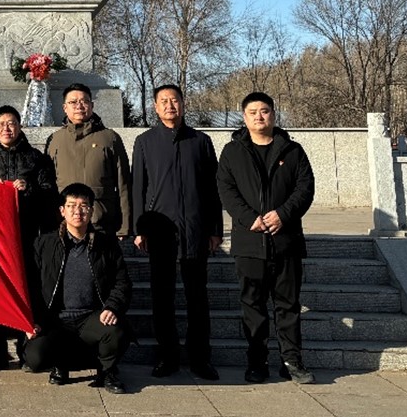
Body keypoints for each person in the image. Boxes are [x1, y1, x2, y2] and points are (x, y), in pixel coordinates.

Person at [216, 91, 316, 385]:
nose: (259, 117)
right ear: (244, 117)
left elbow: (305, 188)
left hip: (286, 241)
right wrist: (250, 218)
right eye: (253, 112)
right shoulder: (232, 152)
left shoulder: (292, 150)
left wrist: (283, 214)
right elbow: (226, 190)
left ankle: (292, 361)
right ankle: (257, 362)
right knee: (253, 306)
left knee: (288, 305)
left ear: (273, 114)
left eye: (265, 111)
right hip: (249, 243)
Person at [132, 83, 222, 380]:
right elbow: (138, 187)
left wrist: (215, 229)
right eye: (164, 101)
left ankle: (200, 358)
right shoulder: (145, 142)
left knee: (198, 298)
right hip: (160, 231)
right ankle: (167, 357)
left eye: (174, 100)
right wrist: (139, 228)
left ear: (183, 104)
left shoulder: (201, 141)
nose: (170, 105)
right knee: (162, 298)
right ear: (155, 107)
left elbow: (213, 189)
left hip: (195, 229)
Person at [0, 104, 57, 371]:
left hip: (26, 236)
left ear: (19, 126)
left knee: (26, 293)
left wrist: (28, 188)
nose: (6, 128)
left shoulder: (36, 158)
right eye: (1, 124)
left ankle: (25, 351)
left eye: (11, 123)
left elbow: (50, 193)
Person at [23, 182, 130, 394]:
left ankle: (107, 371)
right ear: (62, 210)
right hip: (55, 319)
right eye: (71, 205)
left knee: (116, 332)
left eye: (83, 206)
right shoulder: (44, 244)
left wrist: (112, 307)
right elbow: (30, 284)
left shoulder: (106, 244)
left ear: (91, 210)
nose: (77, 211)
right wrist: (31, 319)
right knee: (35, 357)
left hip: (92, 316)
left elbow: (122, 282)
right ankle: (60, 365)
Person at [45, 83, 131, 236]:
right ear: (65, 108)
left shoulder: (109, 138)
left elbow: (123, 184)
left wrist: (125, 227)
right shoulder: (55, 140)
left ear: (92, 105)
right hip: (64, 226)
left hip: (102, 223)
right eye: (73, 102)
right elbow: (48, 184)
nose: (79, 106)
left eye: (84, 101)